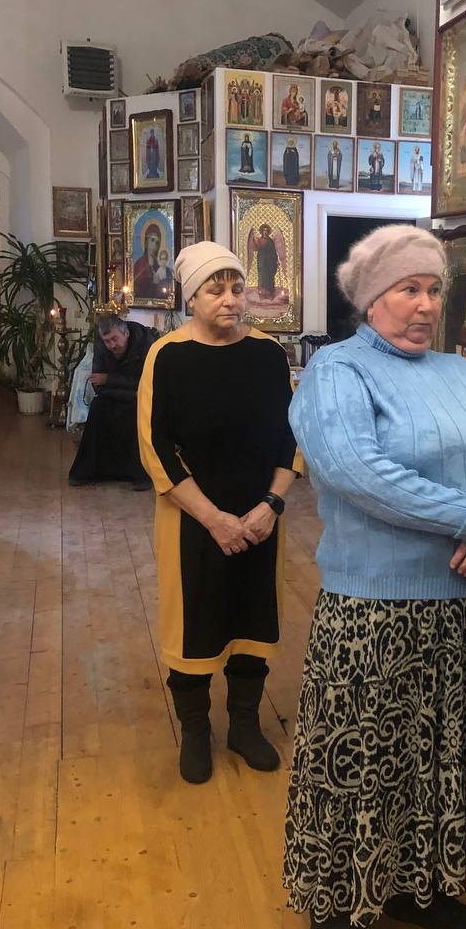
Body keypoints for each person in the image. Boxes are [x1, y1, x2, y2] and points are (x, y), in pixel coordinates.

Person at [283, 225, 466, 929]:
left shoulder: (464, 374)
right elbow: (355, 470)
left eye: (434, 289)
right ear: (372, 300)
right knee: (364, 758)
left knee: (443, 758)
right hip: (374, 612)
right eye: (408, 290)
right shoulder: (339, 371)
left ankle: (422, 887)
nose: (426, 305)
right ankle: (339, 903)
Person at [137, 240, 300, 785]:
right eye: (215, 290)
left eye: (236, 287)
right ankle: (194, 730)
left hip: (260, 518)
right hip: (192, 519)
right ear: (191, 297)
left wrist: (271, 505)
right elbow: (156, 448)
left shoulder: (268, 355)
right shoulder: (168, 356)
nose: (230, 299)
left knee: (253, 617)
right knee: (195, 624)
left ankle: (245, 726)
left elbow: (291, 435)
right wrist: (214, 519)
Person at [69, 316, 157, 490]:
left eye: (115, 339)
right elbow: (98, 385)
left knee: (137, 412)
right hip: (122, 395)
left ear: (126, 334)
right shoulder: (102, 346)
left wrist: (109, 379)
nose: (111, 345)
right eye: (107, 341)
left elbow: (146, 383)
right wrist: (127, 390)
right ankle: (89, 471)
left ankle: (140, 475)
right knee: (98, 408)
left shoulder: (146, 344)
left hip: (140, 398)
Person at [132, 223, 163, 301]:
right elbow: (137, 291)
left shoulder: (158, 266)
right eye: (152, 240)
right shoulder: (139, 264)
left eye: (157, 242)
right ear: (146, 241)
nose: (154, 245)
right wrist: (154, 283)